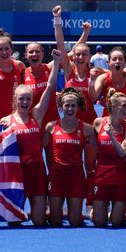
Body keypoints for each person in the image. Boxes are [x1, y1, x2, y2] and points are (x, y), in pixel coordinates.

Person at [0, 49, 61, 227]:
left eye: (28, 98)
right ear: (15, 99)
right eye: (21, 99)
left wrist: (56, 63)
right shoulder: (5, 121)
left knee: (39, 220)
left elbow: (50, 87)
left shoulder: (37, 114)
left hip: (37, 171)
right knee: (14, 222)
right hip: (16, 173)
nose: (25, 102)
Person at [42, 88, 98, 227]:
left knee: (75, 221)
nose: (70, 108)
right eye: (67, 105)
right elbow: (37, 149)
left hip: (76, 176)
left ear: (78, 107)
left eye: (73, 105)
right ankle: (53, 211)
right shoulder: (51, 127)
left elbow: (99, 150)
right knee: (55, 221)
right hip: (57, 176)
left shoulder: (87, 129)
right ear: (62, 107)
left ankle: (73, 211)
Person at [92, 89, 126, 227]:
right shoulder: (98, 122)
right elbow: (94, 146)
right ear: (113, 107)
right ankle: (97, 210)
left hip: (120, 175)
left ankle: (116, 212)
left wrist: (111, 136)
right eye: (124, 106)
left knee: (117, 222)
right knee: (99, 222)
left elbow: (122, 152)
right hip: (102, 174)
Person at [54, 9, 98, 124]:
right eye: (77, 55)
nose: (80, 57)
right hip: (71, 122)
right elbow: (60, 44)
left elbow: (94, 98)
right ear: (73, 57)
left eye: (84, 55)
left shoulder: (93, 73)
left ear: (89, 57)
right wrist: (57, 18)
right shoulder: (69, 71)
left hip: (90, 123)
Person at [23, 39, 60, 129]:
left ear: (42, 54)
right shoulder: (22, 74)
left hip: (53, 123)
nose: (34, 54)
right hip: (33, 124)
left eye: (37, 51)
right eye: (31, 52)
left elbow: (72, 53)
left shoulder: (50, 68)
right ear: (26, 55)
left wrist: (85, 33)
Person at [94, 47, 126, 121]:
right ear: (108, 62)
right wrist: (92, 81)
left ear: (125, 62)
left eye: (120, 59)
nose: (117, 61)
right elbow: (93, 97)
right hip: (108, 122)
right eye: (114, 59)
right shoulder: (103, 79)